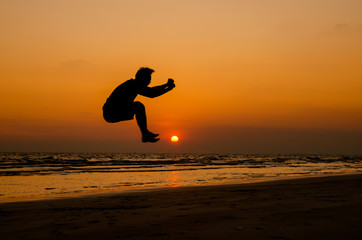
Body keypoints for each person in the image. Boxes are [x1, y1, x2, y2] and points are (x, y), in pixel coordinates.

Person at [102, 67, 175, 143]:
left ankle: (145, 134)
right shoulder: (132, 85)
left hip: (115, 111)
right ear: (141, 78)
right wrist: (167, 88)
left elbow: (151, 90)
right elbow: (152, 93)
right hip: (111, 112)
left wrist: (166, 85)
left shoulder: (134, 84)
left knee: (138, 106)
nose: (149, 81)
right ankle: (145, 134)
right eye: (148, 79)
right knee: (138, 106)